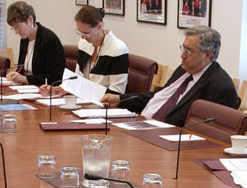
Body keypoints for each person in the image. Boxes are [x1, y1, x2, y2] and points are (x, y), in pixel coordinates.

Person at [101, 26, 239, 126]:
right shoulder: (184, 69)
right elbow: (160, 95)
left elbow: (209, 133)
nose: (182, 55)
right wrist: (119, 99)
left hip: (168, 140)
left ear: (208, 55)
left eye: (189, 51)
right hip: (142, 123)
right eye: (183, 48)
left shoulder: (221, 88)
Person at [41, 6, 127, 95]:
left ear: (99, 26)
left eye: (86, 33)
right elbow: (77, 79)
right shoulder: (83, 43)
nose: (82, 37)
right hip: (84, 100)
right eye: (79, 32)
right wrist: (57, 89)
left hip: (104, 105)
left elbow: (116, 93)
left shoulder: (118, 49)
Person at [4, 1, 65, 86]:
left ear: (30, 20)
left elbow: (55, 77)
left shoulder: (49, 39)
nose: (16, 32)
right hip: (28, 90)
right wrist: (15, 75)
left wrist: (26, 79)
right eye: (13, 28)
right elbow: (22, 69)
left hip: (45, 92)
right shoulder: (24, 39)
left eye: (18, 26)